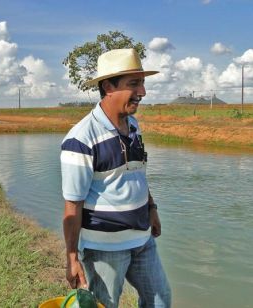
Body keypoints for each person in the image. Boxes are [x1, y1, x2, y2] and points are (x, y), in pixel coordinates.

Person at [61, 48, 171, 308]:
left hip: (142, 239)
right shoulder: (81, 139)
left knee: (160, 300)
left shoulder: (133, 126)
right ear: (108, 86)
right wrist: (72, 256)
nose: (142, 92)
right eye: (134, 84)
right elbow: (72, 205)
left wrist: (151, 208)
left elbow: (137, 173)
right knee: (103, 305)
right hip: (105, 249)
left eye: (142, 83)